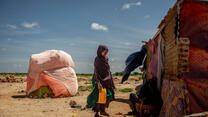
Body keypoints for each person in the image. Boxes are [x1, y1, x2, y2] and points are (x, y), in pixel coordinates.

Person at [86, 45, 115, 117]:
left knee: (106, 96)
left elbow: (107, 70)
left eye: (106, 52)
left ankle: (102, 111)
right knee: (98, 96)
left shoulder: (104, 59)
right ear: (100, 51)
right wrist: (98, 83)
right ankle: (97, 113)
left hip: (106, 80)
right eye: (104, 52)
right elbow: (96, 71)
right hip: (98, 79)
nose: (106, 53)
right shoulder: (97, 59)